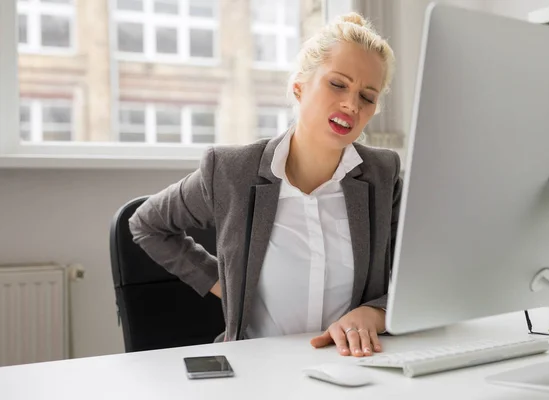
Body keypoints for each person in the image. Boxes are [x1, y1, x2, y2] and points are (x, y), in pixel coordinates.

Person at [129, 11, 401, 358]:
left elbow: (417, 276)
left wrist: (375, 313)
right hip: (260, 369)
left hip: (352, 367)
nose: (351, 104)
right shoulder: (230, 171)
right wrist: (227, 284)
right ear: (299, 87)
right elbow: (146, 224)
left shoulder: (382, 174)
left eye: (367, 96)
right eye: (338, 84)